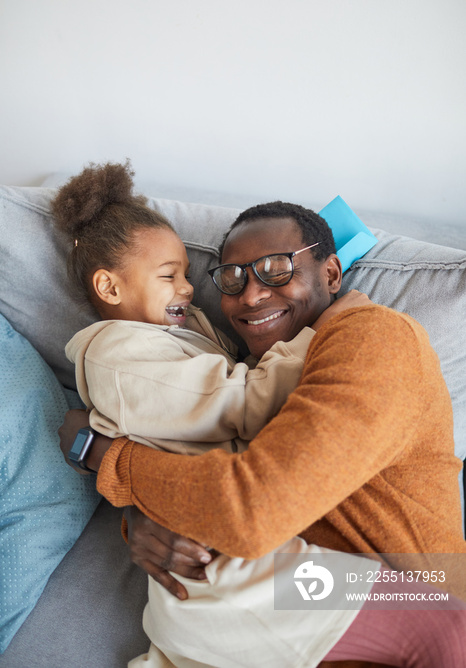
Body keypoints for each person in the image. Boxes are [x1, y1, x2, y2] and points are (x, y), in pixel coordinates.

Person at [57, 168, 466, 668]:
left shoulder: (373, 338)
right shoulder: (248, 369)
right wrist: (147, 518)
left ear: (333, 275)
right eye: (231, 279)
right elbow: (213, 470)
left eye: (277, 268)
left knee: (448, 625)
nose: (250, 296)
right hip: (273, 608)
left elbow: (249, 511)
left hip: (402, 601)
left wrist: (104, 457)